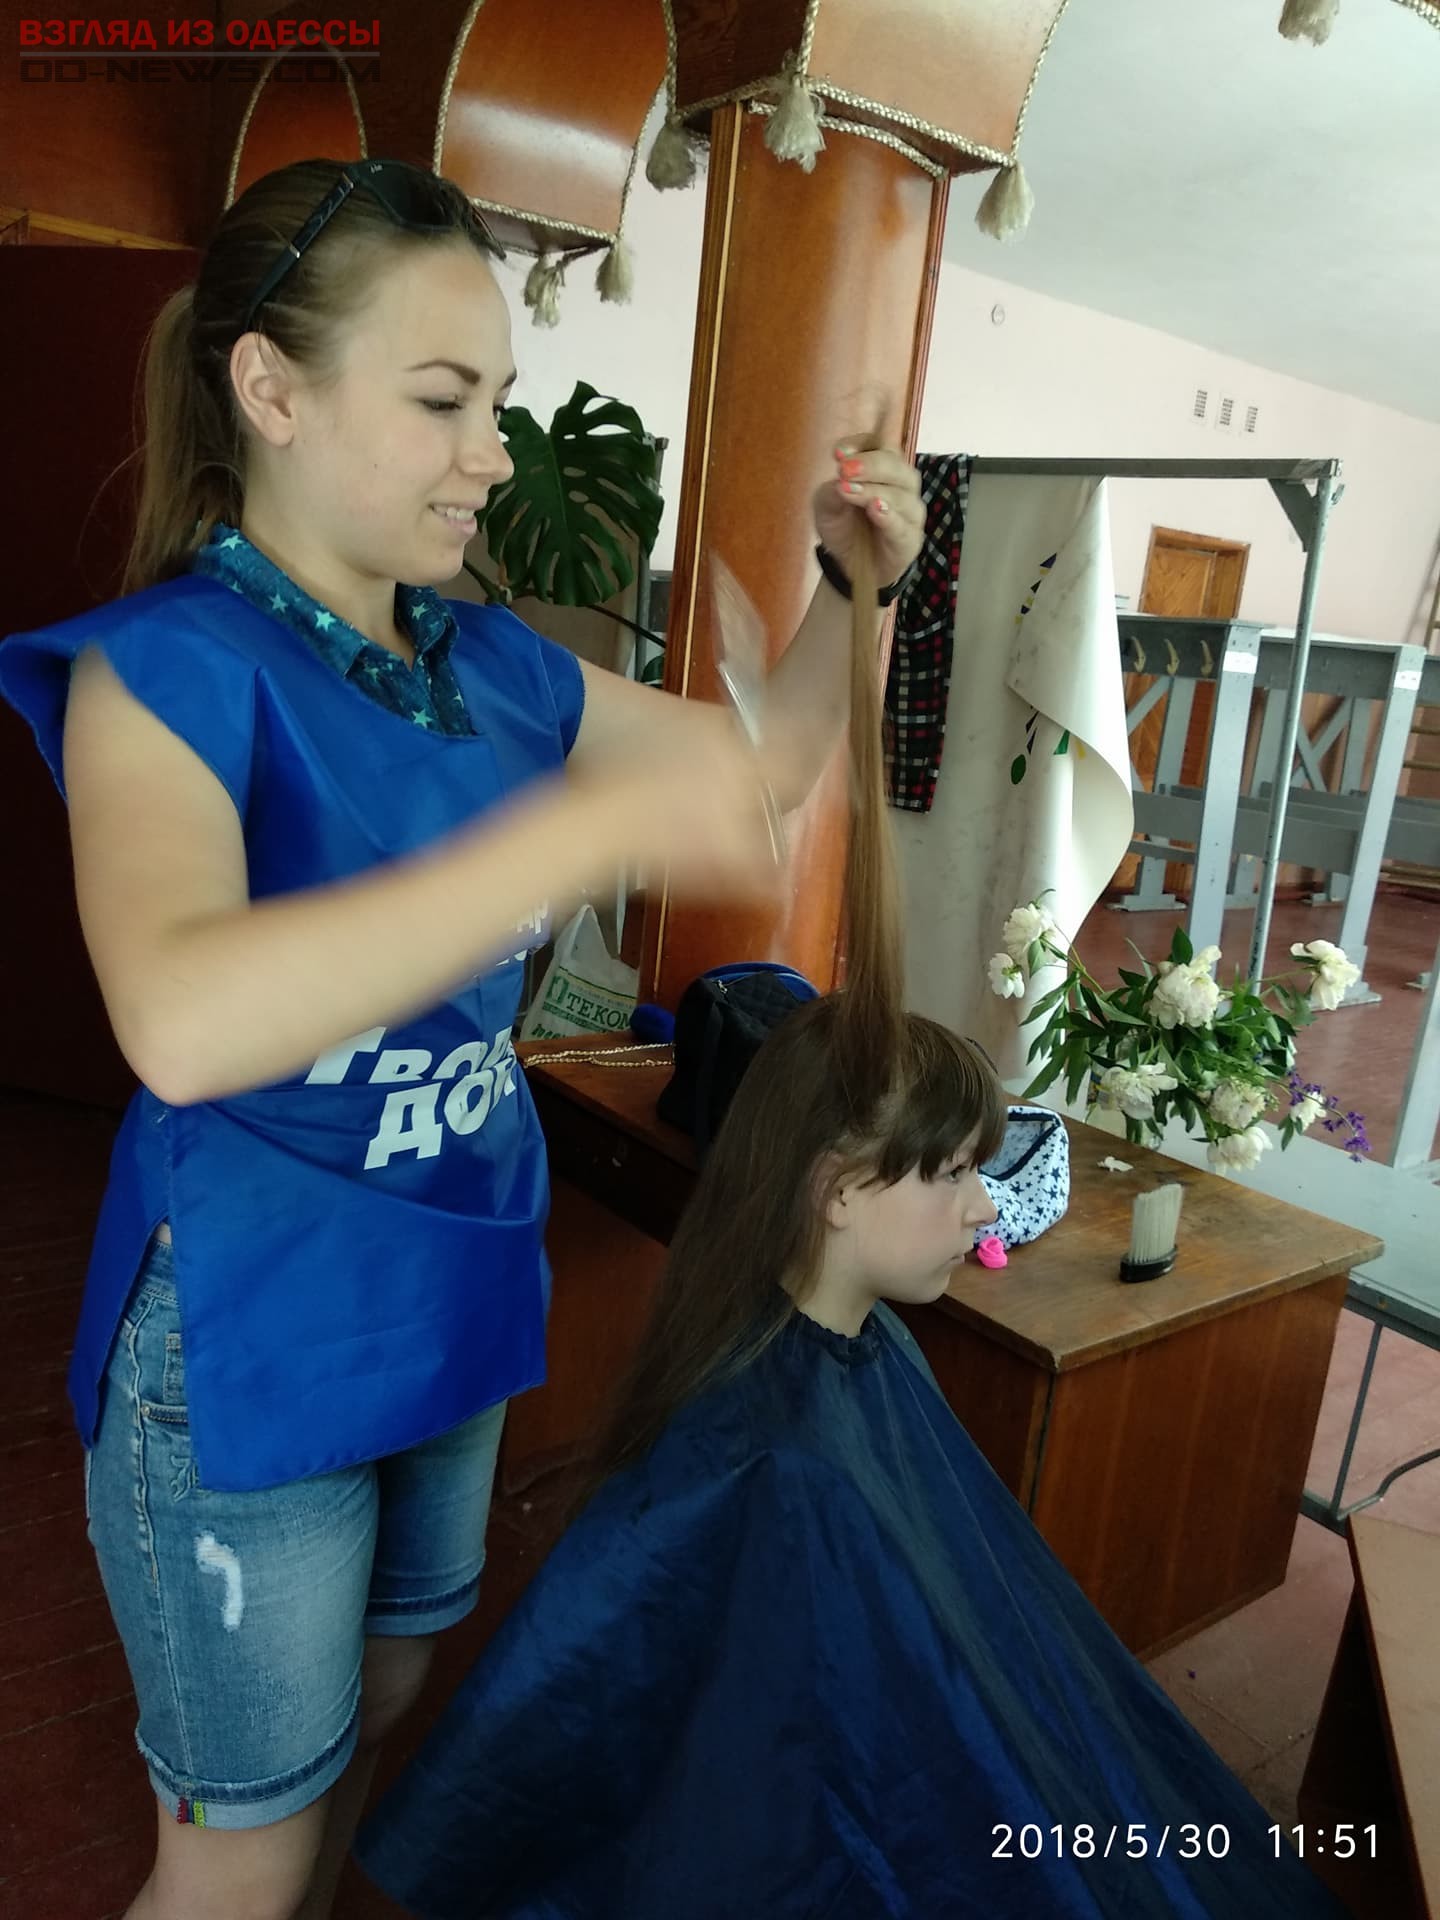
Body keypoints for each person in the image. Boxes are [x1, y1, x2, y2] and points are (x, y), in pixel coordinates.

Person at [0, 154, 924, 1920]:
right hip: (254, 1331)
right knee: (239, 1853)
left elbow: (768, 772)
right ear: (269, 389)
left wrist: (848, 585)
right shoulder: (165, 671)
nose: (492, 454)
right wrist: (565, 840)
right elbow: (182, 1019)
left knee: (381, 1701)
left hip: (452, 1283)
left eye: (496, 401)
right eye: (442, 401)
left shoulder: (493, 668)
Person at [355, 995, 1349, 1920]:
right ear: (837, 1190)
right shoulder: (777, 1465)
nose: (986, 1207)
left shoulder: (847, 1351)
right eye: (952, 1173)